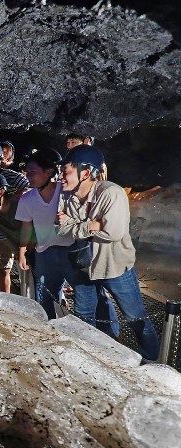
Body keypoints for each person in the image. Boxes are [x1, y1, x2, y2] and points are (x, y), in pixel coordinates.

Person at [56, 145, 158, 360]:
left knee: (136, 318)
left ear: (85, 173)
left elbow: (113, 233)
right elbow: (61, 227)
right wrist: (92, 225)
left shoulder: (112, 193)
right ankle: (92, 358)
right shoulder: (65, 194)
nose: (61, 176)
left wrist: (78, 225)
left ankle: (152, 359)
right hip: (83, 266)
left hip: (114, 266)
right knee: (84, 315)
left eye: (65, 171)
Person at [15, 148, 119, 335]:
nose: (28, 175)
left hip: (73, 251)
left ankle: (107, 334)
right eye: (27, 171)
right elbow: (27, 227)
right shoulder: (27, 199)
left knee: (89, 296)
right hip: (45, 253)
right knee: (45, 297)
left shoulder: (67, 192)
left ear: (48, 172)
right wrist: (22, 251)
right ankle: (47, 333)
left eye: (33, 171)